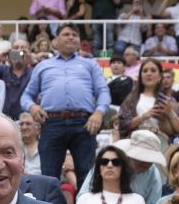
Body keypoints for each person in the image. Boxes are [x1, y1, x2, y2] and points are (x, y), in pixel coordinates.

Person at [20, 24, 111, 187]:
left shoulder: (90, 64)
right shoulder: (42, 66)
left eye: (75, 35)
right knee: (49, 175)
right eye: (66, 34)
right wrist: (32, 107)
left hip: (84, 123)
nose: (71, 37)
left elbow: (103, 91)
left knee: (87, 173)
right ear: (55, 41)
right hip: (51, 123)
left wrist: (99, 113)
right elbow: (26, 96)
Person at [117, 58, 179, 140]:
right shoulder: (131, 98)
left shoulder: (168, 100)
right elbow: (122, 125)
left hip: (160, 141)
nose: (148, 74)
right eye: (145, 71)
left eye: (153, 70)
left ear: (160, 76)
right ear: (140, 76)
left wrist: (170, 112)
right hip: (136, 140)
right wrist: (144, 116)